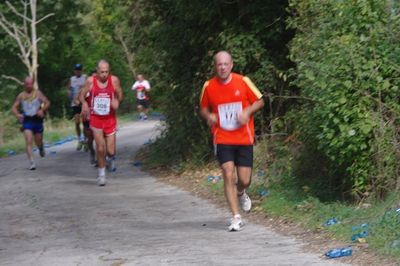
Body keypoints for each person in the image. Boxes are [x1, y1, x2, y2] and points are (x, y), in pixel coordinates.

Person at [199, 51, 264, 231]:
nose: (222, 67)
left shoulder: (243, 81)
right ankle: (236, 217)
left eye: (226, 64)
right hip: (222, 137)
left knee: (244, 179)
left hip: (244, 137)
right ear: (215, 67)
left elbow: (260, 101)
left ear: (232, 65)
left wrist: (247, 112)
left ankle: (241, 191)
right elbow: (203, 108)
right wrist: (209, 116)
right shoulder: (209, 86)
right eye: (219, 64)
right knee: (228, 172)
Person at [80, 60, 123, 186]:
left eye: (106, 72)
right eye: (102, 72)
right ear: (97, 71)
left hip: (110, 119)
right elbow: (81, 95)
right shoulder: (90, 81)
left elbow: (120, 94)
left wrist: (117, 101)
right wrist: (84, 104)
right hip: (96, 118)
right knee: (100, 148)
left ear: (109, 71)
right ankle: (101, 175)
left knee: (110, 151)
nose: (104, 74)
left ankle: (110, 159)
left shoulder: (114, 80)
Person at [11, 76, 50, 170]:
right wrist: (18, 115)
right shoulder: (21, 95)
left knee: (38, 142)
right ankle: (32, 162)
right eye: (27, 84)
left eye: (30, 84)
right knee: (28, 141)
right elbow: (14, 107)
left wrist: (42, 110)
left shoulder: (38, 93)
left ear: (33, 84)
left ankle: (41, 148)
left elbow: (47, 102)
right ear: (24, 84)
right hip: (27, 120)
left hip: (37, 120)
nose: (29, 86)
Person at [67, 63, 87, 151]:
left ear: (81, 70)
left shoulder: (85, 78)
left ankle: (86, 140)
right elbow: (68, 89)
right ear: (74, 71)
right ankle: (79, 140)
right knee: (77, 122)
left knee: (85, 122)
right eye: (76, 70)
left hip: (83, 102)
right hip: (75, 103)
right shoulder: (72, 79)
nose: (78, 71)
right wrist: (69, 94)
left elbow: (88, 88)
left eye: (79, 70)